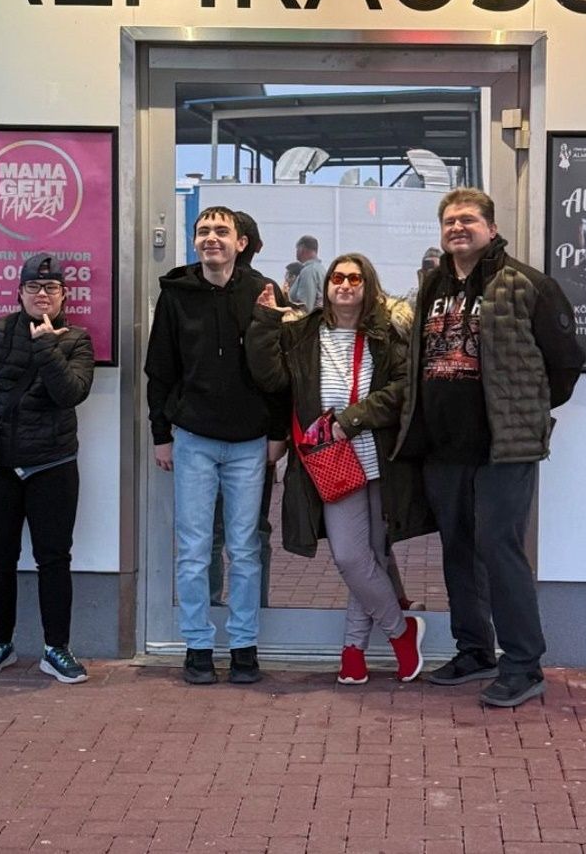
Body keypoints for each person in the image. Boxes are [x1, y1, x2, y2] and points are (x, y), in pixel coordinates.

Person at [394, 188, 584, 708]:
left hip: (504, 446)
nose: (458, 227)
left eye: (469, 219)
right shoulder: (432, 283)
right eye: (450, 220)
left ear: (491, 228)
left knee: (500, 552)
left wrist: (529, 409)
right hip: (443, 446)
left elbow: (566, 361)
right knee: (457, 551)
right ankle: (475, 650)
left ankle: (523, 664)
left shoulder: (526, 284)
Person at [247, 252, 434, 685]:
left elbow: (401, 390)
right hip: (332, 464)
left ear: (368, 286)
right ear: (327, 285)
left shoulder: (385, 335)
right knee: (352, 558)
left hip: (381, 460)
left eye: (355, 278)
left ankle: (353, 650)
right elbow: (270, 379)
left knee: (372, 556)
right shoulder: (303, 332)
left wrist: (351, 420)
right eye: (337, 277)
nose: (345, 284)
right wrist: (262, 323)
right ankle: (402, 631)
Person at [144, 206, 288, 686]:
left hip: (251, 443)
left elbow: (280, 371)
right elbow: (159, 370)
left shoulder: (264, 294)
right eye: (203, 231)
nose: (211, 238)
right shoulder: (176, 296)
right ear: (194, 241)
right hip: (193, 440)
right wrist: (161, 434)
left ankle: (244, 646)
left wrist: (276, 433)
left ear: (240, 242)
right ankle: (198, 646)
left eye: (221, 231)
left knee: (245, 549)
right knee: (194, 548)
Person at [0, 254, 95, 683]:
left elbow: (71, 393)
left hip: (53, 464)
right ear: (19, 292)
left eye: (51, 289)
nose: (42, 295)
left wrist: (46, 344)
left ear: (64, 294)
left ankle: (56, 649)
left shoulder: (78, 340)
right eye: (33, 288)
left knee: (54, 559)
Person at [208, 209, 283, 610]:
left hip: (236, 433)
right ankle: (255, 610)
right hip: (251, 434)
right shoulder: (197, 289)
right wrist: (277, 433)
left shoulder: (265, 293)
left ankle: (214, 610)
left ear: (242, 244)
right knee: (252, 530)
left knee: (212, 532)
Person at [289, 234, 325, 310]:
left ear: (302, 248)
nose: (296, 252)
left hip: (309, 320)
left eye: (297, 249)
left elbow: (305, 306)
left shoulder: (308, 271)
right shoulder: (320, 269)